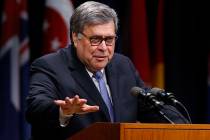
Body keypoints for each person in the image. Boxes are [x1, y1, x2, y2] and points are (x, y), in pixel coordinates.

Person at [25, 1, 189, 140]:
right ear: (76, 37)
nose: (104, 48)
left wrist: (185, 129)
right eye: (95, 39)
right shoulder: (50, 66)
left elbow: (150, 107)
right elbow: (35, 108)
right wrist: (63, 111)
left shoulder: (122, 65)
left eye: (109, 39)